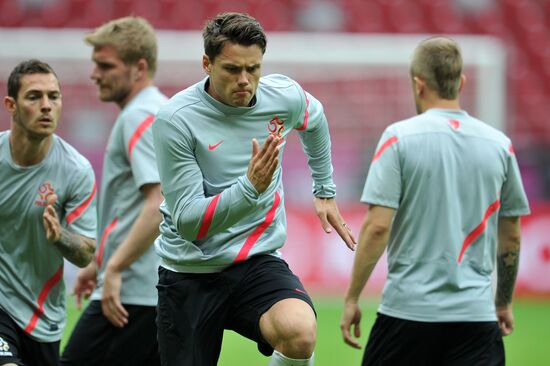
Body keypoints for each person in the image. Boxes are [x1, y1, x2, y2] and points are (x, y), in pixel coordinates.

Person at [152, 12, 356, 366]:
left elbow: (315, 118)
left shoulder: (282, 97)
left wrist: (324, 189)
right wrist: (250, 189)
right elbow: (188, 222)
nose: (245, 80)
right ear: (207, 64)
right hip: (191, 270)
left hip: (255, 260)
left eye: (254, 68)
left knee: (300, 332)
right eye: (232, 69)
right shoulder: (176, 120)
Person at [341, 36, 530, 365]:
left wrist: (352, 297)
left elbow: (376, 228)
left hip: (408, 313)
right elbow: (511, 233)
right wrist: (502, 303)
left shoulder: (398, 138)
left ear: (418, 84)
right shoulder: (500, 145)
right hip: (476, 317)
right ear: (462, 82)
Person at [60, 16, 166, 366]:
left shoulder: (140, 116)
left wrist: (115, 268)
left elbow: (159, 202)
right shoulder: (161, 109)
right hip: (149, 291)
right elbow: (132, 206)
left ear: (139, 68)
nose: (94, 74)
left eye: (105, 65)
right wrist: (100, 263)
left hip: (132, 293)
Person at [0, 59, 97, 366]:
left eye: (53, 96)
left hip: (43, 316)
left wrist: (59, 236)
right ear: (11, 105)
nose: (46, 105)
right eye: (34, 97)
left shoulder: (76, 170)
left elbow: (85, 254)